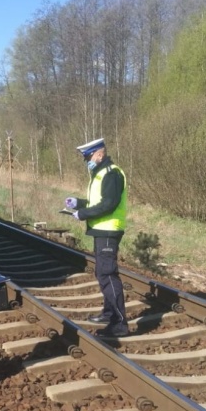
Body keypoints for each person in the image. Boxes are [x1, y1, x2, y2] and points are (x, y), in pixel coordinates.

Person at [65, 138, 129, 337]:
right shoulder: (100, 173)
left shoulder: (111, 173)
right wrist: (79, 204)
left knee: (107, 275)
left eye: (88, 157)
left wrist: (83, 214)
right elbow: (98, 202)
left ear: (99, 154)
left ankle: (119, 324)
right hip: (102, 230)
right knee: (103, 272)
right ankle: (109, 312)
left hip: (108, 230)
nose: (86, 161)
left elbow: (109, 204)